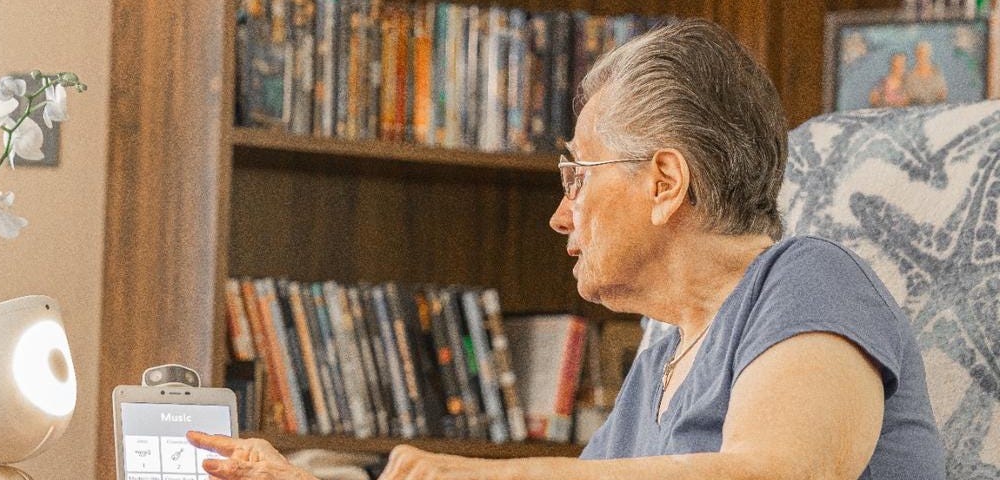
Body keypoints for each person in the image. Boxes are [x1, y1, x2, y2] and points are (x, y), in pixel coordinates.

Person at [188, 18, 946, 480]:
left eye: (577, 174)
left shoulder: (809, 280)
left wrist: (498, 475)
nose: (560, 214)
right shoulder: (666, 350)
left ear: (665, 182)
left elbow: (786, 473)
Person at [904, 41, 948, 105]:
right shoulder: (909, 75)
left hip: (935, 108)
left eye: (925, 53)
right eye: (920, 53)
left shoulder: (937, 72)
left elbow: (943, 93)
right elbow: (907, 97)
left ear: (929, 54)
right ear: (916, 55)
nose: (922, 56)